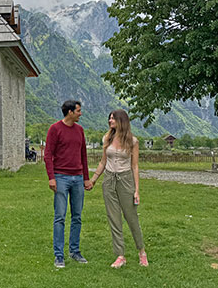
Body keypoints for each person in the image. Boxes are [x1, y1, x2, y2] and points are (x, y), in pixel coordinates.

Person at [91, 109, 148, 268]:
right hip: (109, 180)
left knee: (131, 217)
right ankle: (120, 255)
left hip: (125, 180)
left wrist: (137, 190)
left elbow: (135, 166)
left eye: (113, 118)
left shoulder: (133, 142)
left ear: (121, 121)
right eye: (109, 118)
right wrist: (94, 180)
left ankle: (141, 251)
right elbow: (103, 162)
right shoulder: (107, 138)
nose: (110, 121)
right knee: (113, 218)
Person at [44, 100, 93, 268]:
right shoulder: (55, 129)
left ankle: (75, 251)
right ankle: (59, 255)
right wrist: (52, 177)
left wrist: (86, 178)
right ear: (70, 112)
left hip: (78, 178)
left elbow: (83, 156)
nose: (81, 113)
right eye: (78, 111)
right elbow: (48, 154)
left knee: (77, 217)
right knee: (60, 217)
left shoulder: (80, 130)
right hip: (61, 177)